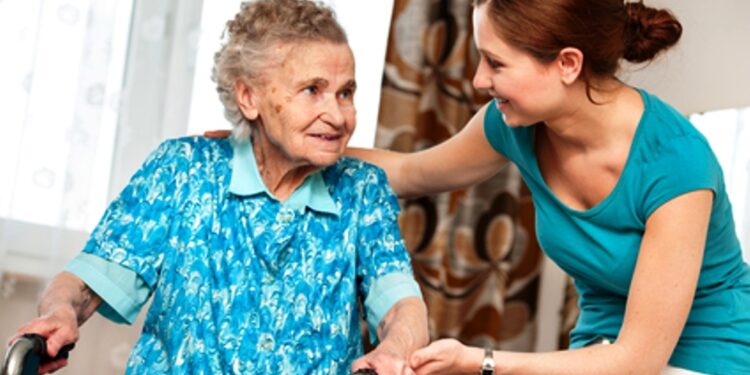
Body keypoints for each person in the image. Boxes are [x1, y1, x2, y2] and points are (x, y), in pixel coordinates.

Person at [10, 0, 428, 373]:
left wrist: (394, 348)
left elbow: (400, 304)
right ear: (249, 97)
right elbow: (86, 280)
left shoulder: (361, 189)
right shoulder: (182, 171)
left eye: (345, 92)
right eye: (313, 90)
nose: (338, 116)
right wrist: (62, 311)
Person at [346, 0, 750, 374]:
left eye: (495, 63)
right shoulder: (514, 127)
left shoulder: (676, 163)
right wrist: (303, 144)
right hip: (599, 348)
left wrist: (478, 361)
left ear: (568, 64)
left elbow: (637, 362)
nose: (478, 79)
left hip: (705, 353)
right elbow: (410, 172)